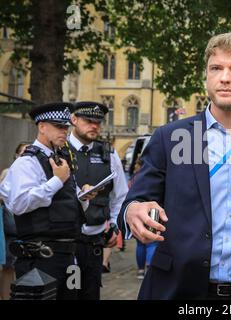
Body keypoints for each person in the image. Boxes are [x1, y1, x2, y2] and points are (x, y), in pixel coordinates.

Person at [118, 31, 231, 299]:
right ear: (206, 74)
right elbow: (135, 200)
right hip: (178, 289)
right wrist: (133, 210)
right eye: (216, 68)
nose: (225, 78)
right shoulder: (169, 138)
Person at [0, 102, 97, 300]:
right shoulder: (26, 163)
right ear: (42, 126)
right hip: (40, 257)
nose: (64, 131)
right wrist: (56, 181)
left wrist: (84, 198)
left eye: (66, 127)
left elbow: (67, 203)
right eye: (58, 126)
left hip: (68, 255)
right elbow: (20, 204)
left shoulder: (61, 161)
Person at [68, 101, 128, 300]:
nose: (94, 126)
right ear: (74, 120)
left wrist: (114, 225)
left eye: (98, 122)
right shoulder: (61, 151)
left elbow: (120, 196)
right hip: (67, 243)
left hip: (94, 243)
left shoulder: (108, 154)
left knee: (90, 293)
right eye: (88, 121)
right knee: (70, 293)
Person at [0, 142, 30, 300]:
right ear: (16, 155)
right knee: (9, 267)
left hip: (30, 230)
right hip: (11, 228)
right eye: (22, 153)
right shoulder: (8, 172)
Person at [129, 156, 157, 280]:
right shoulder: (152, 175)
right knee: (152, 242)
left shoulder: (134, 177)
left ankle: (140, 270)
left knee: (140, 243)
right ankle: (150, 270)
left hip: (136, 210)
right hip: (153, 211)